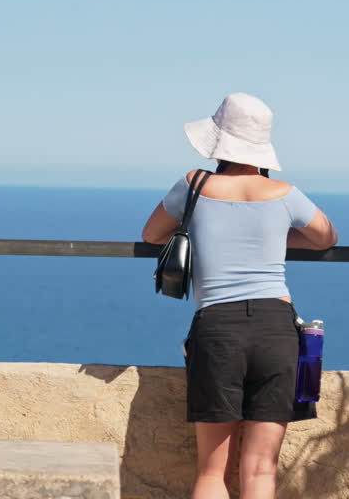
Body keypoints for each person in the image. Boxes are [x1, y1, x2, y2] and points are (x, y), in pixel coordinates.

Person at [141, 92, 338, 499]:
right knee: (261, 470)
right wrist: (274, 239)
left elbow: (152, 234)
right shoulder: (285, 192)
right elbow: (325, 238)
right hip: (276, 329)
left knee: (212, 473)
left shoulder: (193, 184)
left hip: (218, 329)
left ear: (216, 141)